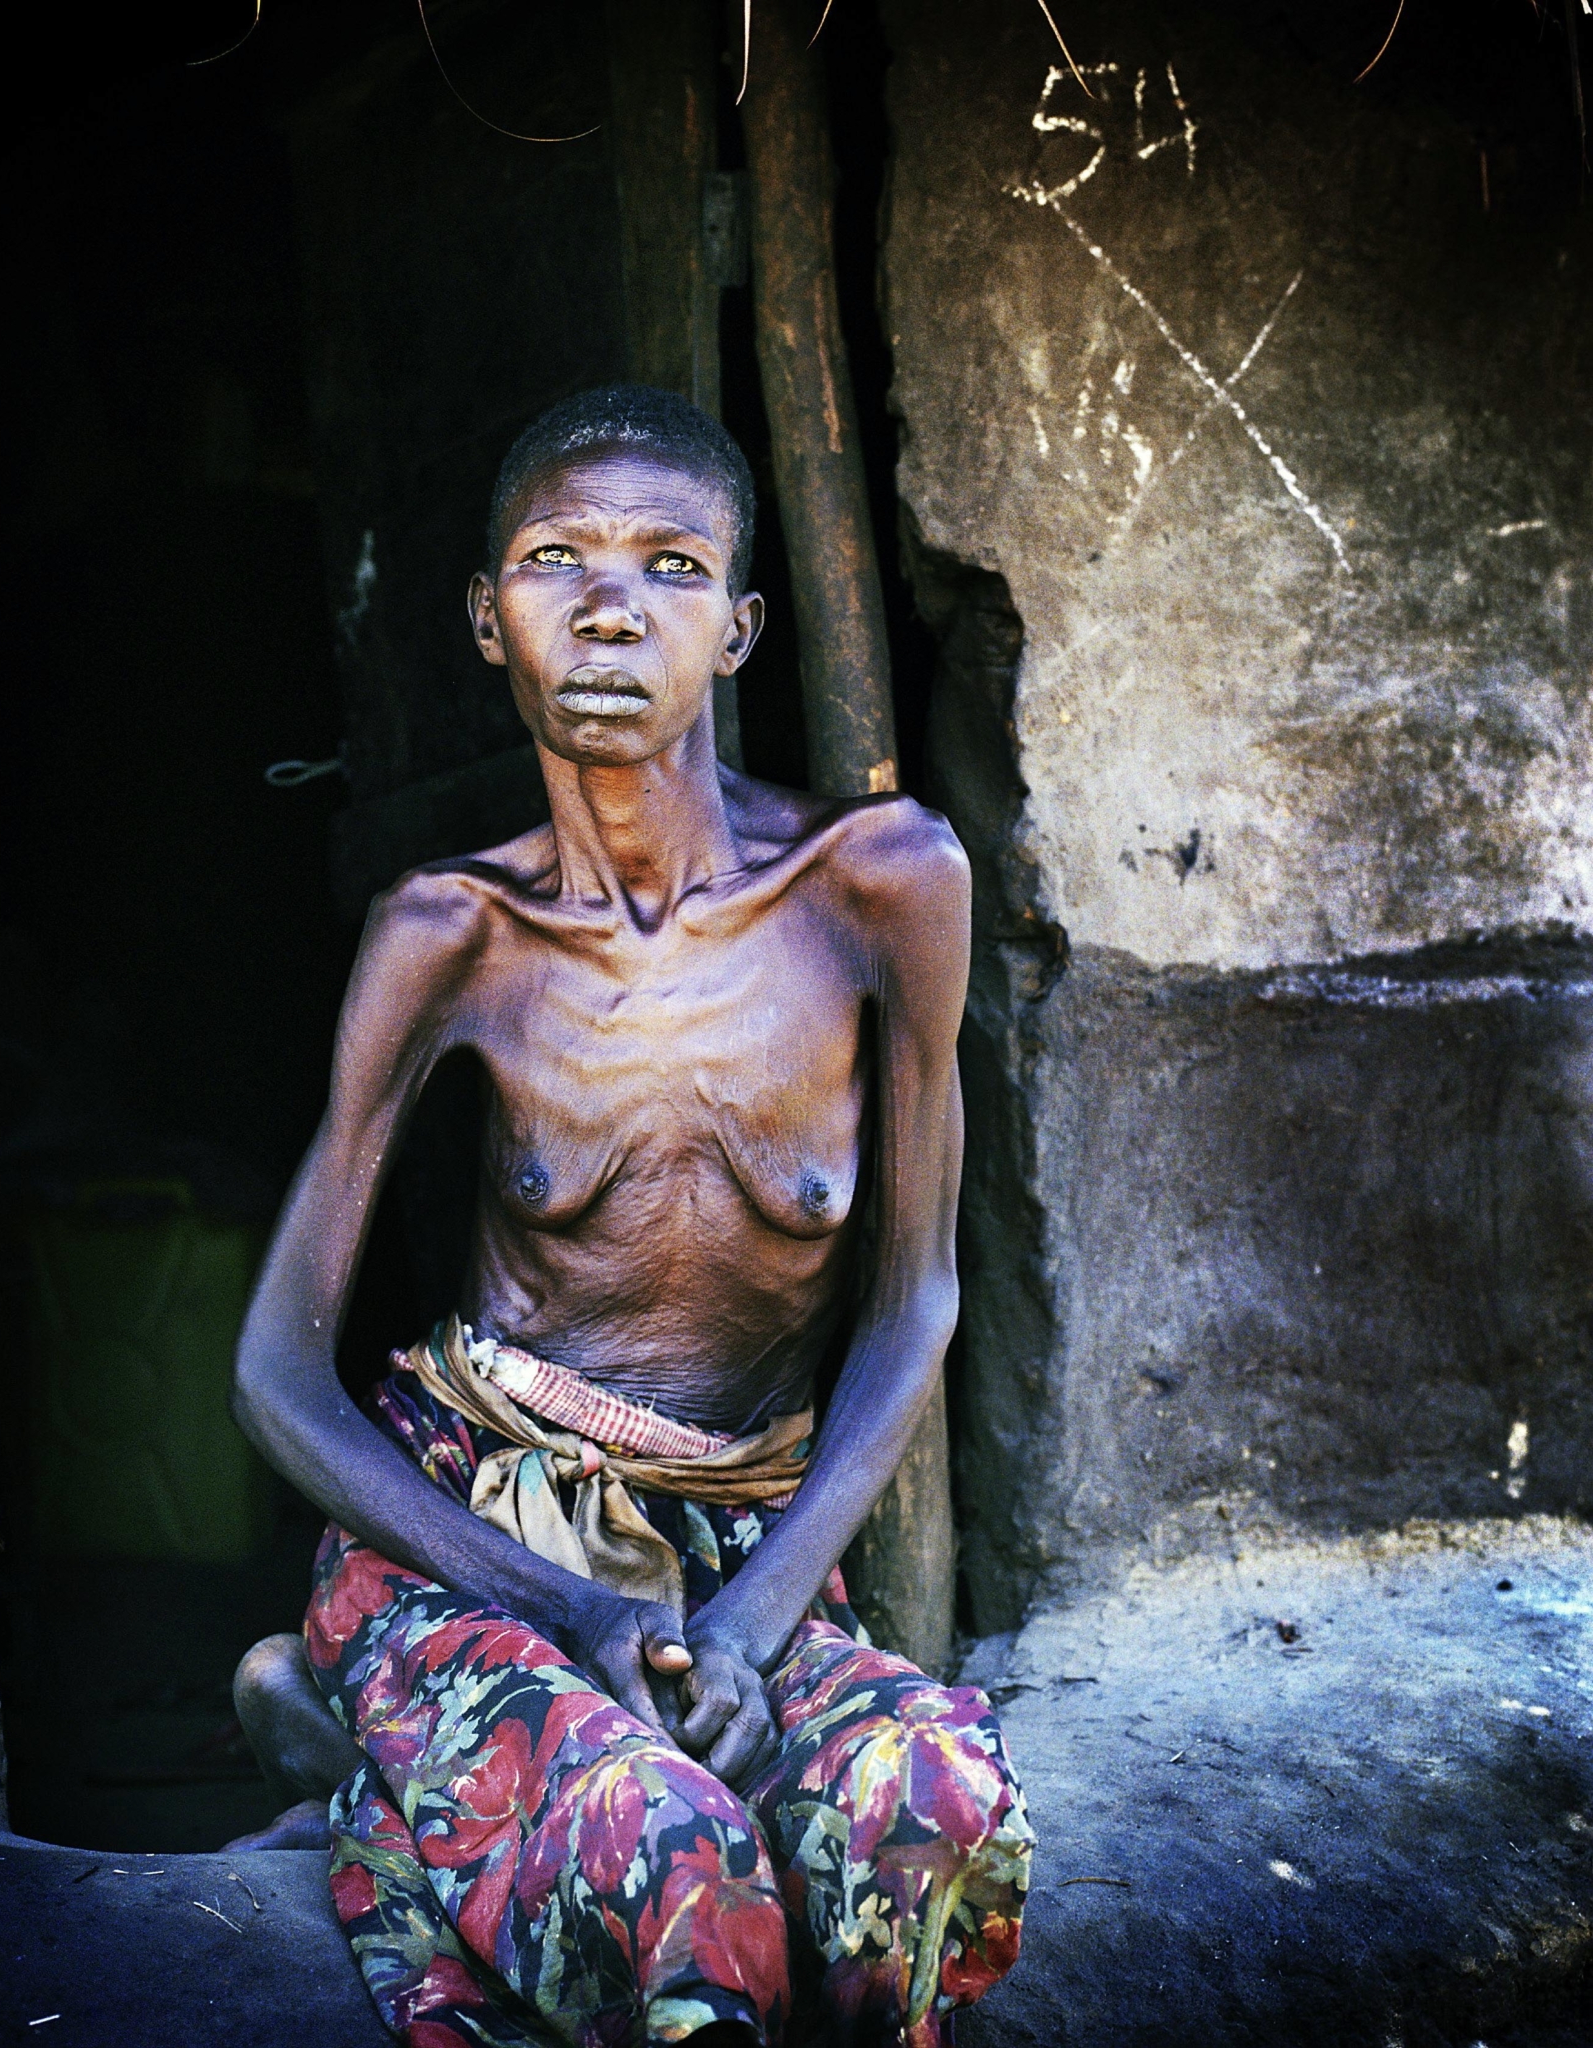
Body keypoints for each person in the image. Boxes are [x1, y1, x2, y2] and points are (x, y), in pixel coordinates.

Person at [230, 386, 1030, 2047]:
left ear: (740, 631)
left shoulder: (886, 888)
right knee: (669, 1854)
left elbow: (914, 1302)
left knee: (927, 1813)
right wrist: (570, 1610)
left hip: (742, 1549)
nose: (609, 606)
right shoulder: (451, 936)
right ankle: (387, 1693)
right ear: (484, 616)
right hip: (480, 1532)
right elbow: (277, 1375)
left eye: (671, 567)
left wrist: (747, 1618)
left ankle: (370, 1746)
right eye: (555, 560)